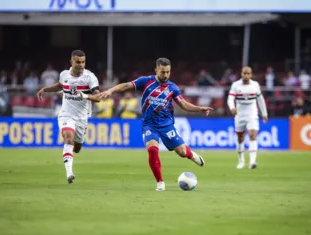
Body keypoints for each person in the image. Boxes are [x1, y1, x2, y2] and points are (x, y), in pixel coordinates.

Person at [78, 57, 213, 191]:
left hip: (166, 125)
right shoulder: (146, 81)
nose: (165, 75)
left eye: (168, 72)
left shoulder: (172, 88)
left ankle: (191, 155)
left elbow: (183, 104)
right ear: (156, 70)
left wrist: (199, 108)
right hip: (149, 125)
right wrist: (110, 91)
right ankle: (160, 183)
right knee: (153, 150)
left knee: (182, 152)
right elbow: (126, 85)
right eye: (162, 72)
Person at [37, 50, 100, 183]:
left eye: (83, 62)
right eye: (78, 62)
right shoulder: (64, 75)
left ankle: (74, 151)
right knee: (68, 138)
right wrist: (45, 89)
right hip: (66, 115)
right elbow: (60, 85)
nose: (81, 65)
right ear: (71, 61)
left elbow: (98, 97)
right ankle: (69, 173)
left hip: (82, 118)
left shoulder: (90, 77)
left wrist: (85, 95)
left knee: (77, 148)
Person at [227, 66, 268, 169]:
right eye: (244, 73)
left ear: (251, 75)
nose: (246, 75)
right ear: (241, 74)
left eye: (248, 74)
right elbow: (230, 98)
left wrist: (264, 113)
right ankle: (241, 161)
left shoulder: (255, 85)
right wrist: (232, 108)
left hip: (252, 114)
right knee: (240, 138)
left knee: (252, 135)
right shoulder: (236, 85)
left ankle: (252, 162)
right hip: (239, 114)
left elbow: (260, 99)